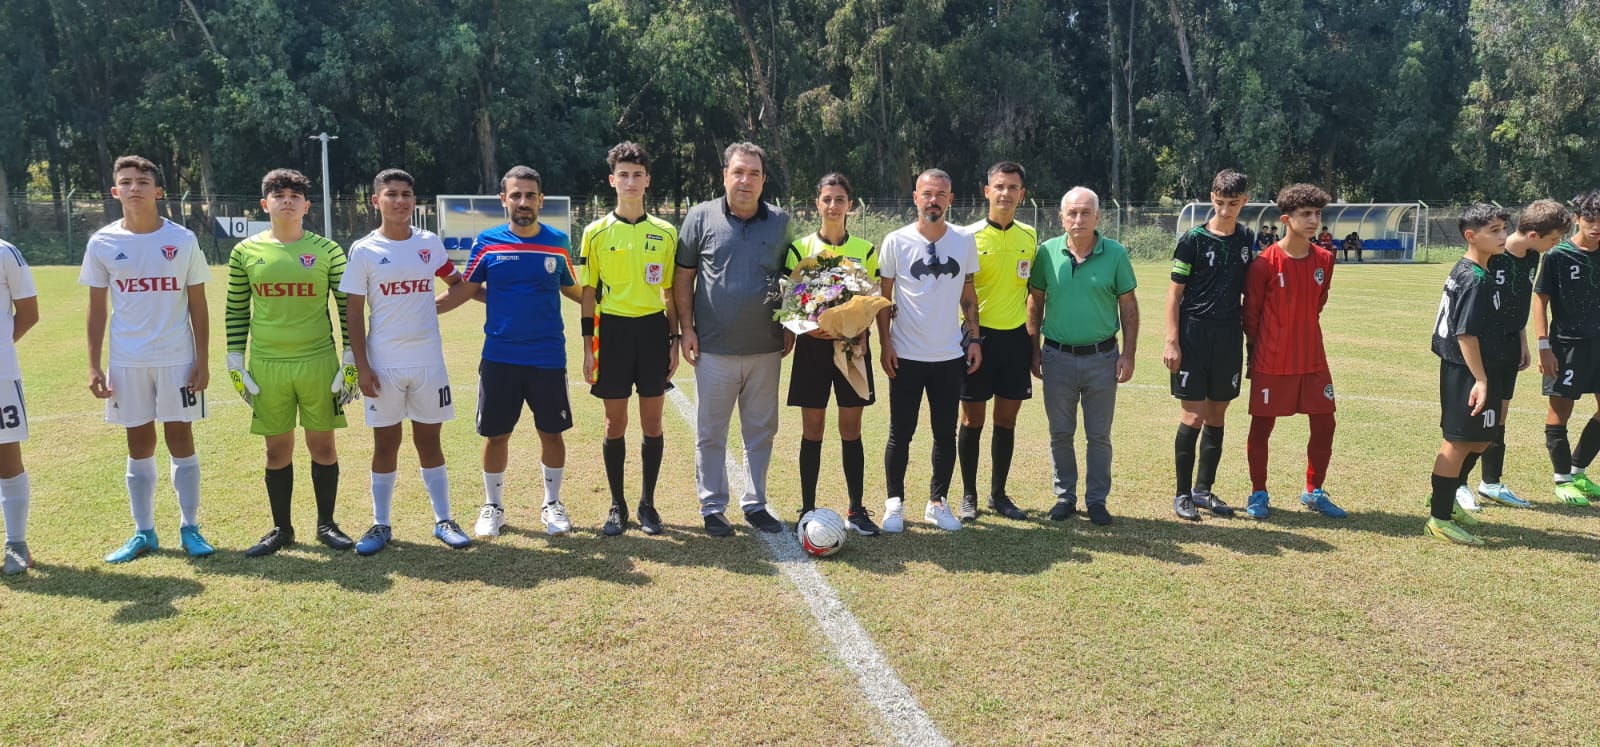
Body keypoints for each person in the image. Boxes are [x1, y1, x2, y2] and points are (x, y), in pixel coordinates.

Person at [81, 155, 214, 563]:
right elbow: (97, 309)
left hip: (176, 358)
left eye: (142, 181)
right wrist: (93, 364)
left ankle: (190, 527)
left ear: (158, 191)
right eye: (126, 181)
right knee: (138, 443)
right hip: (128, 360)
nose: (134, 187)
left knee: (180, 439)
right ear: (114, 191)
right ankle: (144, 532)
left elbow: (198, 305)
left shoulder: (183, 240)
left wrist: (203, 360)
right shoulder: (103, 242)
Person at [437, 165, 579, 538]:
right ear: (504, 200)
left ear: (541, 200)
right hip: (500, 357)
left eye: (530, 195)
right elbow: (465, 290)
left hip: (548, 357)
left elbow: (573, 289)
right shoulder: (487, 242)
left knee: (552, 433)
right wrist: (422, 308)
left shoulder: (558, 242)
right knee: (496, 435)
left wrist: (610, 304)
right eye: (516, 195)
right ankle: (493, 506)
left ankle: (552, 503)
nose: (523, 202)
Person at [227, 168, 360, 556]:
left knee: (323, 446)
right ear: (264, 204)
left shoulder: (328, 250)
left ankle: (326, 524)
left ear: (306, 206)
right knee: (276, 451)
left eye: (294, 196)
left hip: (317, 361)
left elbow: (347, 307)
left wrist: (350, 356)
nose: (286, 201)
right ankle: (281, 529)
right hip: (267, 364)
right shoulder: (244, 252)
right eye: (278, 195)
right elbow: (237, 309)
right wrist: (235, 359)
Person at [340, 169, 472, 555]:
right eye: (391, 194)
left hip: (429, 362)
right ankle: (381, 524)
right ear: (376, 200)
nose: (400, 201)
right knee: (386, 444)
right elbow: (353, 312)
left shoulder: (429, 243)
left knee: (430, 441)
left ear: (414, 200)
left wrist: (430, 308)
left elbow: (457, 284)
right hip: (384, 365)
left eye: (407, 194)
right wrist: (362, 367)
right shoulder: (364, 250)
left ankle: (444, 519)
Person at [674, 142, 793, 537]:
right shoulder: (699, 217)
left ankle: (755, 504)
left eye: (754, 173)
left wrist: (790, 324)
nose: (745, 180)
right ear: (724, 175)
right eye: (738, 172)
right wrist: (687, 329)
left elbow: (793, 279)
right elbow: (683, 277)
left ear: (763, 179)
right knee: (711, 433)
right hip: (713, 348)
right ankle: (712, 507)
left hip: (766, 349)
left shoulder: (781, 221)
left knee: (761, 431)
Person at [579, 142, 679, 537]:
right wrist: (587, 348)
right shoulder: (595, 233)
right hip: (613, 332)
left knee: (652, 421)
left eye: (638, 175)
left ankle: (647, 504)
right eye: (623, 174)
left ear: (647, 180)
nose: (631, 181)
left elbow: (669, 292)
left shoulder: (666, 233)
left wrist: (673, 339)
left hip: (653, 332)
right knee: (614, 422)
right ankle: (617, 505)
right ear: (612, 180)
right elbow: (588, 293)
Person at [876, 169, 981, 532]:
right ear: (915, 198)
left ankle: (937, 502)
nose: (933, 200)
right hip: (905, 355)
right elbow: (883, 298)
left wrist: (974, 338)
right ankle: (894, 503)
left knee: (944, 434)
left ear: (950, 199)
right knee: (900, 433)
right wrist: (885, 344)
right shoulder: (896, 241)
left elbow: (968, 292)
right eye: (927, 194)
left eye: (940, 194)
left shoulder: (963, 240)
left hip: (949, 356)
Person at [1026, 187, 1138, 527]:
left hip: (1102, 358)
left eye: (1085, 212)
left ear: (1097, 217)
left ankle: (1096, 500)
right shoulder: (1047, 253)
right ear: (1062, 218)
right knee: (1060, 432)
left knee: (1098, 435)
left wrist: (1128, 354)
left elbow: (1129, 309)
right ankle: (1065, 496)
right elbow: (1035, 302)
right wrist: (1034, 350)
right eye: (1072, 213)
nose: (1078, 219)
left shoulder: (1115, 254)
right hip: (1057, 357)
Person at [1455, 200, 1570, 510]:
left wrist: (1523, 341)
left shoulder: (1532, 255)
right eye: (1554, 238)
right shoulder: (1492, 255)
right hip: (1485, 347)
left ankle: (1491, 483)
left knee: (1499, 417)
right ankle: (1457, 484)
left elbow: (1518, 302)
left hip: (1509, 345)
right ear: (1533, 235)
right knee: (1477, 419)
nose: (1556, 244)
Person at [785, 173, 880, 535]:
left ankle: (856, 509)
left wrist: (858, 328)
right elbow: (789, 303)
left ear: (850, 205)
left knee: (851, 429)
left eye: (840, 199)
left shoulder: (865, 250)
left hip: (852, 348)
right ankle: (807, 507)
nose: (833, 205)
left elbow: (870, 301)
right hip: (812, 348)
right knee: (813, 429)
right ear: (817, 204)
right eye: (827, 199)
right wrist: (811, 328)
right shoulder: (800, 248)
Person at [1242, 184, 1344, 519]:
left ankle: (1314, 491)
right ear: (1286, 219)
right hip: (1272, 360)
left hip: (1312, 359)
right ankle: (1258, 492)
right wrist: (1258, 353)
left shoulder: (1325, 260)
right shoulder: (1264, 263)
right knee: (1262, 428)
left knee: (1325, 424)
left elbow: (1318, 304)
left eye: (1318, 214)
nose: (1314, 220)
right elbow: (1251, 315)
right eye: (1306, 214)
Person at [1164, 169, 1254, 521]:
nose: (1225, 210)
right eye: (1219, 203)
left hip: (1228, 336)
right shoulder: (1194, 240)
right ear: (1211, 199)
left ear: (1244, 201)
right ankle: (1182, 493)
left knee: (1217, 414)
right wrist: (1172, 341)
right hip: (1193, 335)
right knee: (1193, 414)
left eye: (1233, 203)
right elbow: (1174, 295)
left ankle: (1203, 490)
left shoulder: (1246, 238)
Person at [1425, 204, 1512, 545]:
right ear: (1471, 236)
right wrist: (1481, 379)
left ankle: (1443, 498)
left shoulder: (1476, 269)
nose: (1503, 235)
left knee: (1481, 439)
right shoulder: (1474, 278)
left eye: (1504, 228)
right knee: (1458, 442)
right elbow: (1465, 334)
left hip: (1478, 367)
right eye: (1494, 230)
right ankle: (1439, 518)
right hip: (1466, 370)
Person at [955, 162, 1036, 523]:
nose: (1006, 193)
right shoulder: (966, 236)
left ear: (1022, 194)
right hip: (977, 338)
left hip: (1015, 340)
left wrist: (1033, 342)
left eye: (1013, 187)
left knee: (1006, 420)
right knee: (972, 419)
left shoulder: (1030, 236)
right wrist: (973, 336)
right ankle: (968, 495)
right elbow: (962, 291)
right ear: (987, 191)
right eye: (999, 186)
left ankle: (998, 494)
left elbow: (1033, 293)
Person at [1532, 190, 1600, 506]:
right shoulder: (1557, 255)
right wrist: (1543, 345)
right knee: (1561, 412)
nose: (1596, 227)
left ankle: (1578, 470)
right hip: (1568, 346)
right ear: (1577, 219)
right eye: (1591, 219)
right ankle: (1562, 480)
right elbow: (1540, 300)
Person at [0, 239, 38, 575]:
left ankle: (15, 543)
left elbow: (28, 313)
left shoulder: (5, 252)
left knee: (6, 458)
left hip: (1, 375)